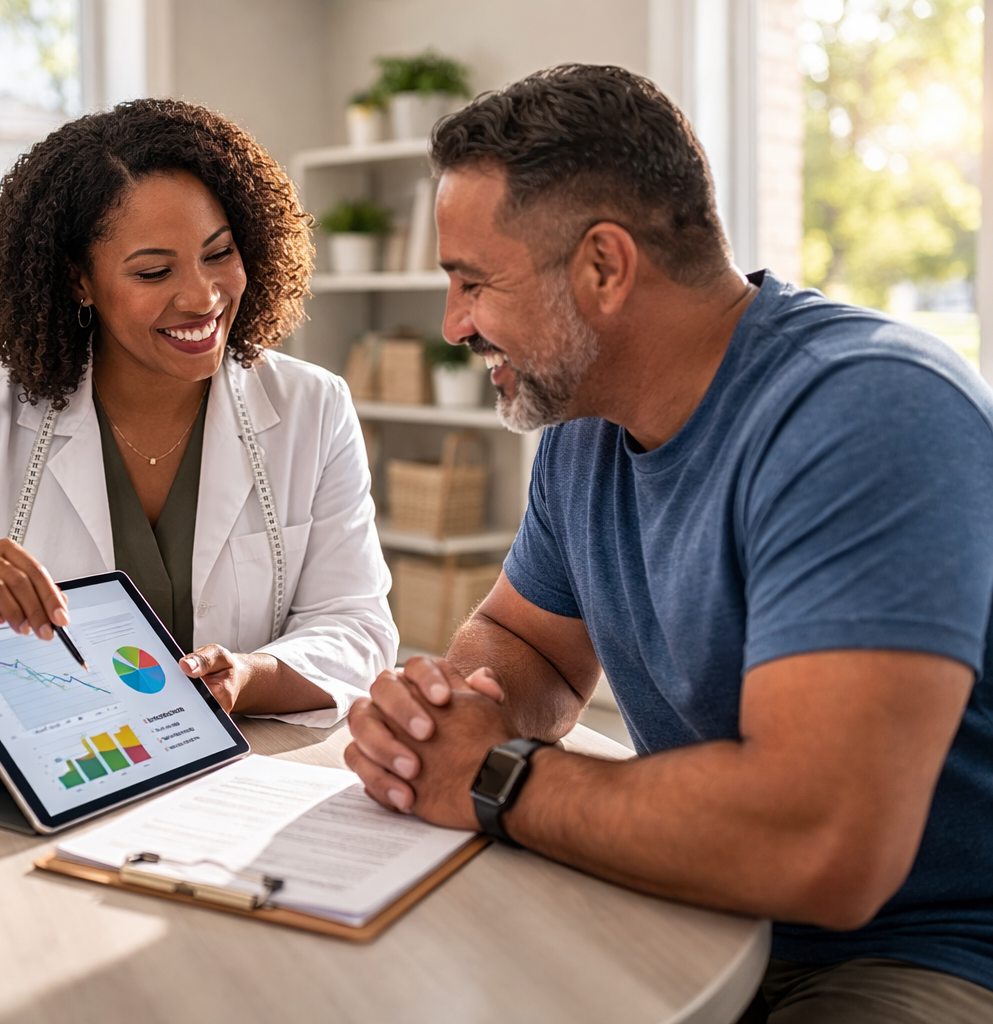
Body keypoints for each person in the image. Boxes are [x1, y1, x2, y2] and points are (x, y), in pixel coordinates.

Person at [344, 64, 993, 1022]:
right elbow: (526, 643)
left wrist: (493, 776)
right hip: (700, 906)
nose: (455, 327)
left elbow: (822, 847)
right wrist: (450, 715)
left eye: (474, 283)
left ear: (604, 268)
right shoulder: (584, 427)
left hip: (927, 948)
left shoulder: (871, 414)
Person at [0, 99, 394, 726]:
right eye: (153, 271)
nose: (202, 296)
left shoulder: (314, 407)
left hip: (236, 767)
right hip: (55, 776)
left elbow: (355, 623)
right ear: (79, 281)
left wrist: (251, 677)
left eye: (219, 254)